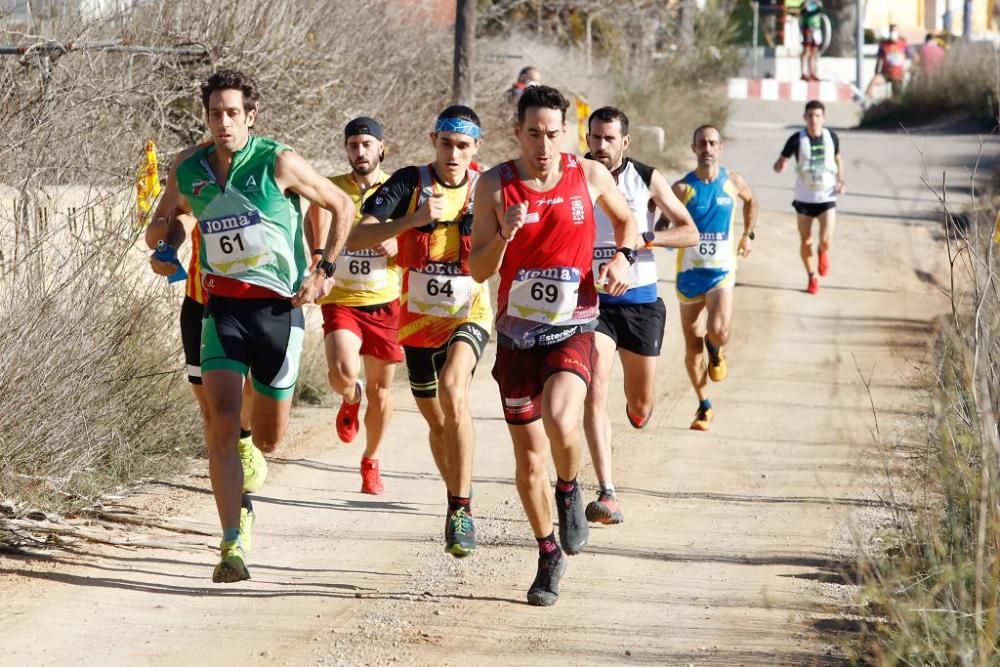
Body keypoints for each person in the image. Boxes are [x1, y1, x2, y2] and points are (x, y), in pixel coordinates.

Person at [160, 69, 355, 583]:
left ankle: (252, 446)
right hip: (221, 308)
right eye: (213, 113)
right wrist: (164, 246)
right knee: (219, 421)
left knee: (268, 440)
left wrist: (323, 270)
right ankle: (231, 541)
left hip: (279, 312)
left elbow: (341, 205)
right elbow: (170, 217)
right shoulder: (190, 167)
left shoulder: (279, 162)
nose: (222, 122)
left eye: (231, 113)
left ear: (251, 116)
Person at [469, 85, 637, 606]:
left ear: (566, 132)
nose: (544, 145)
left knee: (565, 416)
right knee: (527, 460)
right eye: (533, 134)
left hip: (575, 323)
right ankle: (547, 554)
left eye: (553, 133)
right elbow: (476, 268)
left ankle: (570, 488)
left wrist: (623, 257)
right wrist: (504, 235)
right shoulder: (494, 186)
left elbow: (628, 220)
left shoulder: (587, 174)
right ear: (516, 132)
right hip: (518, 335)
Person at [348, 106, 492, 559]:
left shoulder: (487, 186)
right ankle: (455, 498)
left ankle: (461, 507)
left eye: (463, 146)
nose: (454, 154)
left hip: (470, 310)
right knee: (437, 423)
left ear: (476, 148)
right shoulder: (409, 182)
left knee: (455, 390)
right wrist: (411, 221)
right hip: (416, 322)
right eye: (447, 144)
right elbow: (357, 237)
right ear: (434, 140)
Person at [582, 106, 698, 524]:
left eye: (609, 139)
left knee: (640, 402)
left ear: (625, 142)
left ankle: (639, 409)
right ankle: (607, 492)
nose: (600, 146)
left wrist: (648, 238)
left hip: (641, 303)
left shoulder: (645, 177)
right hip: (593, 304)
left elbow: (690, 231)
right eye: (595, 137)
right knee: (594, 390)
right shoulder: (577, 175)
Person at [308, 117, 398, 495]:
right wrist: (316, 258)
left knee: (382, 391)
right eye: (353, 145)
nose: (359, 152)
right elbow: (315, 220)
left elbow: (420, 233)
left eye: (366, 144)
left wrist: (398, 245)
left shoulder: (399, 187)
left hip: (384, 299)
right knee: (343, 370)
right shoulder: (332, 188)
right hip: (343, 297)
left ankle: (371, 461)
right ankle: (350, 397)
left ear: (380, 147)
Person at [674, 125, 758, 431]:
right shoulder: (682, 188)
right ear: (694, 148)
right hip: (689, 274)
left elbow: (751, 201)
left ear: (720, 147)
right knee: (691, 347)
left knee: (719, 330)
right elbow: (659, 219)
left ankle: (716, 346)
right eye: (701, 143)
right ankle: (703, 404)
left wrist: (748, 235)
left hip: (722, 270)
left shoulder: (732, 182)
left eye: (712, 143)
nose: (707, 148)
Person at [773, 99, 844, 295]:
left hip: (827, 196)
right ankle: (812, 277)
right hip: (804, 197)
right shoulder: (796, 139)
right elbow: (780, 162)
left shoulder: (832, 137)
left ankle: (823, 252)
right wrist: (780, 166)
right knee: (805, 240)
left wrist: (841, 180)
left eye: (818, 116)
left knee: (826, 239)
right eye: (810, 116)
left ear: (824, 118)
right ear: (805, 117)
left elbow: (838, 159)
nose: (814, 119)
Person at [873, 24, 909, 98]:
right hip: (885, 73)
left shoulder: (903, 43)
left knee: (897, 96)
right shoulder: (884, 44)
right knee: (872, 84)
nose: (893, 32)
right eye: (891, 30)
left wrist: (907, 69)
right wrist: (876, 72)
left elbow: (909, 54)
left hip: (898, 75)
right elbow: (879, 59)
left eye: (895, 30)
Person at [799, 0, 824, 81]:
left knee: (814, 52)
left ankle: (812, 73)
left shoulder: (817, 2)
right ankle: (803, 73)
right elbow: (805, 12)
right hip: (808, 29)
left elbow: (820, 11)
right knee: (806, 51)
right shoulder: (806, 3)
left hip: (816, 29)